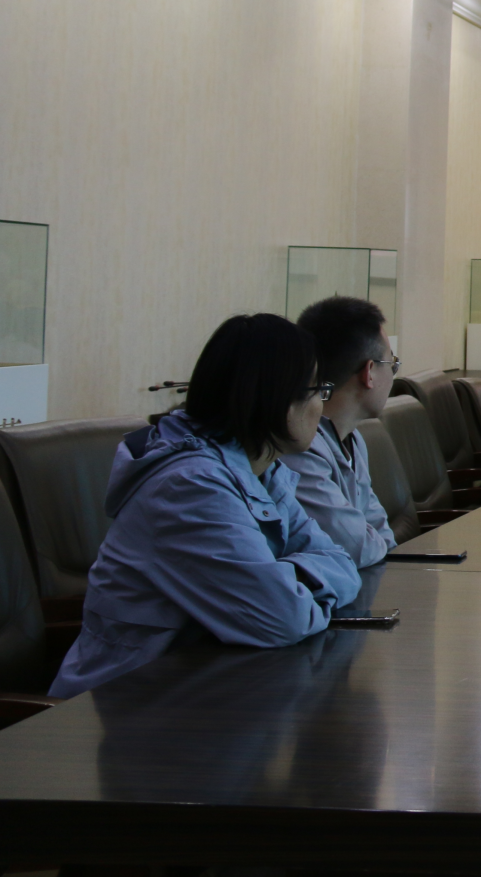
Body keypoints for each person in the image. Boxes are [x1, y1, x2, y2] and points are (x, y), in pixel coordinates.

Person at [49, 314, 363, 697]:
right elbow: (283, 618)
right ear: (277, 398)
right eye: (317, 390)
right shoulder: (191, 487)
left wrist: (284, 579)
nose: (321, 405)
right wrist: (290, 584)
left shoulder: (263, 471)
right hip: (126, 704)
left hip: (200, 688)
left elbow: (342, 562)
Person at [284, 296, 399, 567]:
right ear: (369, 373)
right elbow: (356, 547)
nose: (394, 375)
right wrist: (377, 546)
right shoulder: (300, 448)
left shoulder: (352, 438)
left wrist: (378, 546)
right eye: (392, 364)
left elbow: (379, 529)